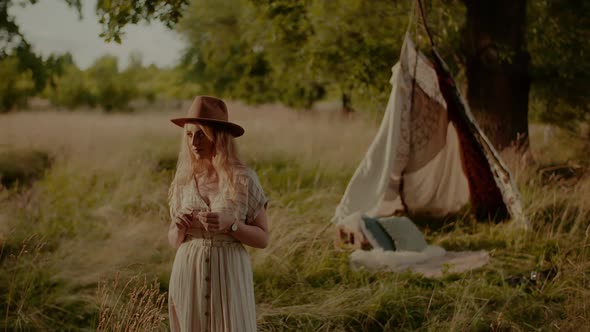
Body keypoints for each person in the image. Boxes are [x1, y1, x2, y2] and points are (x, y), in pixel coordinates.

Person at [167, 96, 269, 331]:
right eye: (189, 135)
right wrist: (178, 227)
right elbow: (173, 240)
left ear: (218, 136)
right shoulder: (183, 181)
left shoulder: (244, 180)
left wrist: (231, 225)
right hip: (187, 273)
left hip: (229, 276)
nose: (194, 142)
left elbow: (263, 239)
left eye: (201, 133)